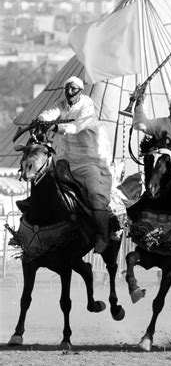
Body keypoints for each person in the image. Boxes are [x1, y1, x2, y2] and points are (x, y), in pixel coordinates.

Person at [37, 76, 114, 254]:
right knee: (45, 185)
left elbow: (75, 127)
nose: (69, 92)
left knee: (96, 194)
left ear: (80, 91)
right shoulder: (62, 104)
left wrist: (54, 128)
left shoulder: (87, 108)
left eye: (73, 89)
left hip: (89, 162)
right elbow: (50, 113)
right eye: (67, 89)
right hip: (66, 161)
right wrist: (41, 119)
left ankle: (104, 236)